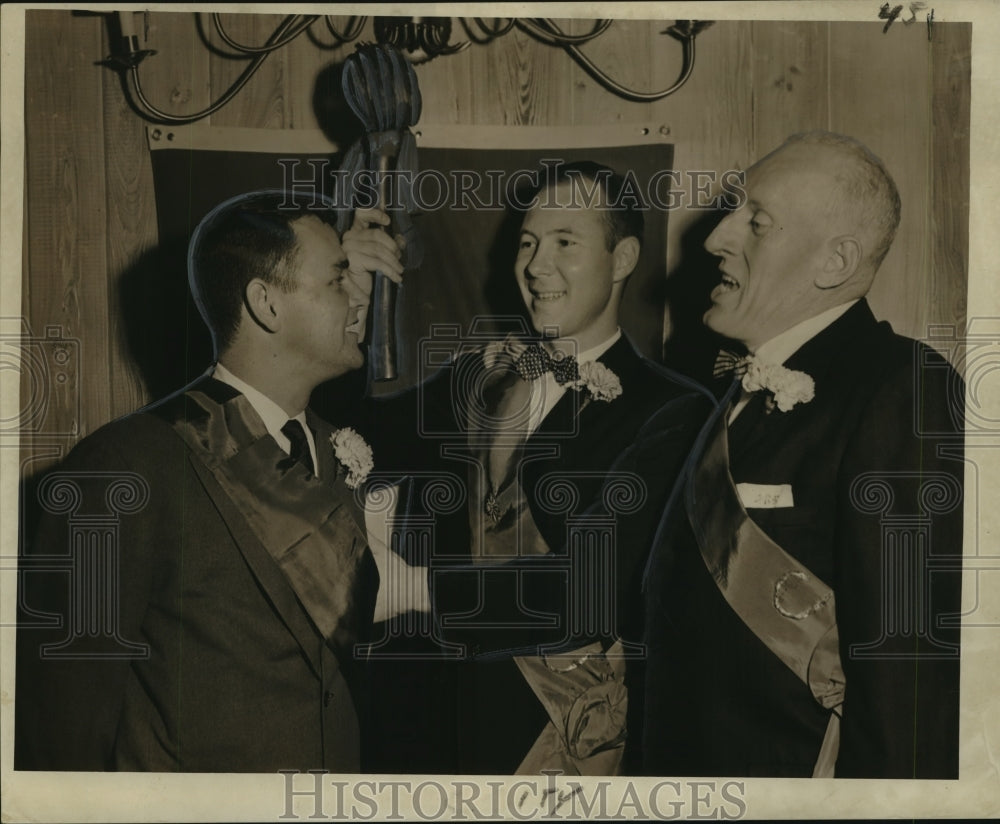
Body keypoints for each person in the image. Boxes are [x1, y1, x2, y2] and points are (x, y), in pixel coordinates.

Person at [15, 191, 408, 772]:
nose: (359, 301)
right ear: (266, 306)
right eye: (337, 281)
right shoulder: (124, 467)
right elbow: (64, 728)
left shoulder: (335, 449)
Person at [359, 161, 714, 775]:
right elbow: (345, 435)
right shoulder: (477, 380)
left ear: (623, 257)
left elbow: (597, 585)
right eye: (527, 243)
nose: (535, 265)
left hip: (562, 747)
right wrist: (353, 291)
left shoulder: (676, 410)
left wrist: (410, 589)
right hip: (427, 735)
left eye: (565, 243)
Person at [635, 132, 964, 778]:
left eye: (755, 222)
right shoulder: (736, 396)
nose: (714, 240)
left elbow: (908, 679)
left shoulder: (902, 387)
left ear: (834, 262)